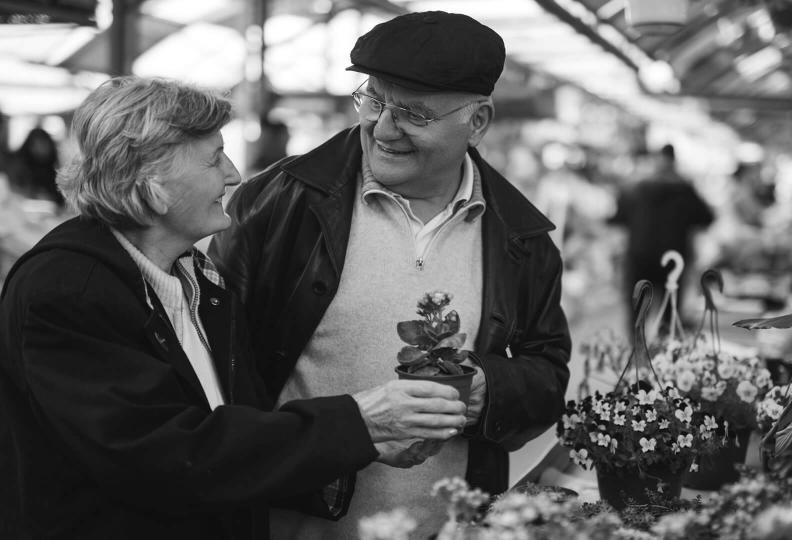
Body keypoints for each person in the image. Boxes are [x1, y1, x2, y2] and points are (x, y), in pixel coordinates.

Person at [0, 76, 468, 540]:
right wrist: (359, 420)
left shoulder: (198, 277)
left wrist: (361, 442)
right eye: (213, 159)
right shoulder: (67, 291)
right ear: (150, 179)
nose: (233, 174)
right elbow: (166, 457)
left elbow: (232, 435)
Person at [209, 11, 571, 539]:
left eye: (413, 114)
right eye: (374, 99)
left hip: (447, 528)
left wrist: (487, 388)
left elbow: (548, 372)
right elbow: (213, 362)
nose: (382, 128)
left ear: (478, 121)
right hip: (290, 523)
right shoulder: (277, 203)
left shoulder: (522, 239)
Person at [610, 144, 714, 332]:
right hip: (673, 260)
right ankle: (662, 355)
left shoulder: (634, 188)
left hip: (639, 259)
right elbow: (706, 218)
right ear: (674, 162)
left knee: (638, 315)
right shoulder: (685, 190)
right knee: (668, 315)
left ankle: (638, 354)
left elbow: (617, 219)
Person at [7, 126, 65, 207]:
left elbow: (60, 195)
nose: (42, 148)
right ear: (30, 146)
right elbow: (14, 191)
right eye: (38, 144)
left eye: (44, 144)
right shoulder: (19, 166)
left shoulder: (51, 167)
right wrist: (35, 195)